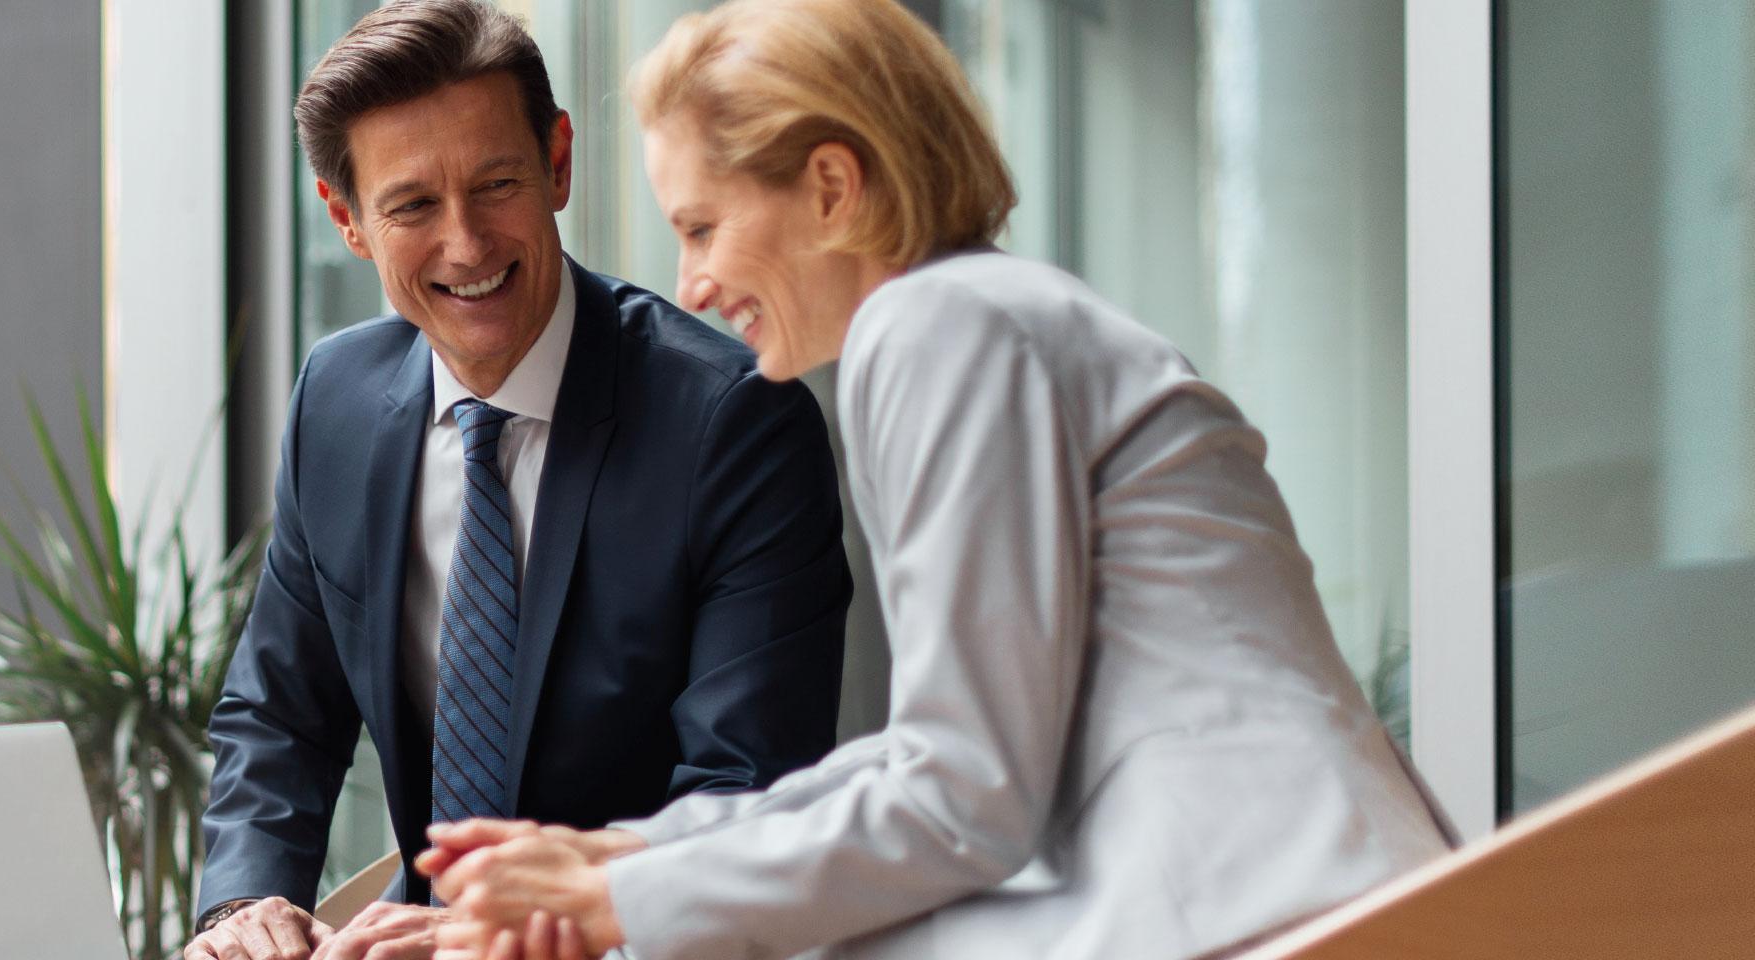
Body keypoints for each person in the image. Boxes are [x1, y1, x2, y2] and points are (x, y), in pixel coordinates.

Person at [414, 1, 1452, 957]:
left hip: (1273, 907)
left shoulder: (939, 326)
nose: (692, 282)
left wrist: (622, 900)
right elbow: (939, 755)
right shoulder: (983, 314)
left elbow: (965, 793)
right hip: (1292, 893)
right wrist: (632, 857)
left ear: (831, 187)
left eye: (702, 227)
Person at [188, 2, 859, 958]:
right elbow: (280, 714)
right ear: (348, 221)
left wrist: (503, 938)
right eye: (413, 206)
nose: (466, 244)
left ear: (558, 163)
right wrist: (243, 910)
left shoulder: (734, 425)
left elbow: (745, 792)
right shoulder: (334, 400)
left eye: (496, 184)